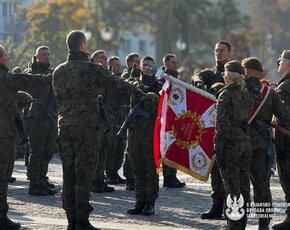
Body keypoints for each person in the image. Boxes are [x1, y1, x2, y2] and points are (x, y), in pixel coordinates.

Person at [52, 30, 145, 230]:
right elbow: (117, 83)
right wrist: (139, 91)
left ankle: (71, 220)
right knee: (84, 173)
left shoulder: (58, 70)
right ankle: (82, 221)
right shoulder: (92, 69)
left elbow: (57, 97)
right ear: (83, 46)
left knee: (68, 174)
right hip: (86, 126)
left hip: (65, 125)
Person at [0, 44, 51, 230]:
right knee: (3, 176)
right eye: (5, 54)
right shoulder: (7, 78)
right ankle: (1, 218)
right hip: (4, 135)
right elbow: (33, 80)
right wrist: (58, 76)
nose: (8, 56)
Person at [242, 57, 290, 229]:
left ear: (245, 72)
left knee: (239, 187)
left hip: (238, 145)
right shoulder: (269, 93)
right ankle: (263, 224)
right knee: (262, 187)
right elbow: (285, 114)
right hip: (261, 146)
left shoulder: (236, 90)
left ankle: (237, 222)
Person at [192, 40, 232, 219]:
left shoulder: (236, 73)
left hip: (231, 131)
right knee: (215, 170)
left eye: (222, 50)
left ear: (229, 53)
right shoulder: (210, 73)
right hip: (212, 129)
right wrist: (199, 83)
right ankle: (216, 206)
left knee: (230, 173)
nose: (219, 53)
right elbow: (197, 77)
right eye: (216, 50)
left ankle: (230, 208)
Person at [215, 60, 253, 230]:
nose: (223, 76)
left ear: (229, 76)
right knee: (244, 185)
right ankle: (241, 223)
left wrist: (217, 145)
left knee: (232, 186)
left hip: (229, 144)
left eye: (224, 73)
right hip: (245, 142)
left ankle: (234, 225)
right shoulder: (246, 94)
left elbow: (221, 125)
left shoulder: (225, 95)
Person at [127, 56, 162, 216]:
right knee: (138, 169)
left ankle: (150, 202)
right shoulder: (134, 83)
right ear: (139, 67)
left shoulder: (160, 86)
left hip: (151, 133)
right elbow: (132, 89)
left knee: (151, 170)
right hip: (135, 133)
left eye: (150, 65)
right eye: (144, 64)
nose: (147, 67)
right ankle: (139, 201)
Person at [24, 46, 58, 196]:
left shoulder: (51, 72)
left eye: (49, 54)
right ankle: (34, 183)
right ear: (36, 57)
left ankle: (42, 178)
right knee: (37, 151)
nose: (47, 57)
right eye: (44, 54)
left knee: (47, 151)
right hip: (37, 117)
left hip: (50, 116)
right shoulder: (31, 72)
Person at [90, 50, 115, 193]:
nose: (103, 59)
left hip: (108, 118)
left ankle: (100, 179)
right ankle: (94, 180)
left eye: (105, 57)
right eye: (99, 57)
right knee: (95, 151)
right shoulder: (91, 74)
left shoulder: (109, 75)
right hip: (95, 119)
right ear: (93, 60)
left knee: (104, 150)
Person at [161, 54, 186, 188]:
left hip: (177, 118)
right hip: (167, 118)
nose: (175, 65)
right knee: (168, 147)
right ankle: (167, 177)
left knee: (175, 147)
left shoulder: (176, 78)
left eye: (176, 62)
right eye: (172, 62)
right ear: (165, 64)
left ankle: (173, 176)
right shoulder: (163, 78)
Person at [272, 50, 290, 230]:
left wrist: (272, 99)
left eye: (281, 60)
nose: (278, 62)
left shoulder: (285, 87)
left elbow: (284, 115)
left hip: (286, 140)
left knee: (287, 180)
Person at [121, 52, 141, 190]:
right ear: (129, 63)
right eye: (136, 62)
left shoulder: (141, 76)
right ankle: (129, 177)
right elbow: (125, 86)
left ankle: (137, 177)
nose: (139, 65)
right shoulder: (126, 76)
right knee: (130, 150)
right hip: (129, 116)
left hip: (142, 119)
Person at [105, 56, 127, 185]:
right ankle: (109, 173)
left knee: (120, 148)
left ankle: (115, 172)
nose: (118, 67)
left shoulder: (122, 79)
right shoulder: (108, 80)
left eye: (119, 65)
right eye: (116, 65)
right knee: (111, 148)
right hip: (111, 118)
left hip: (120, 119)